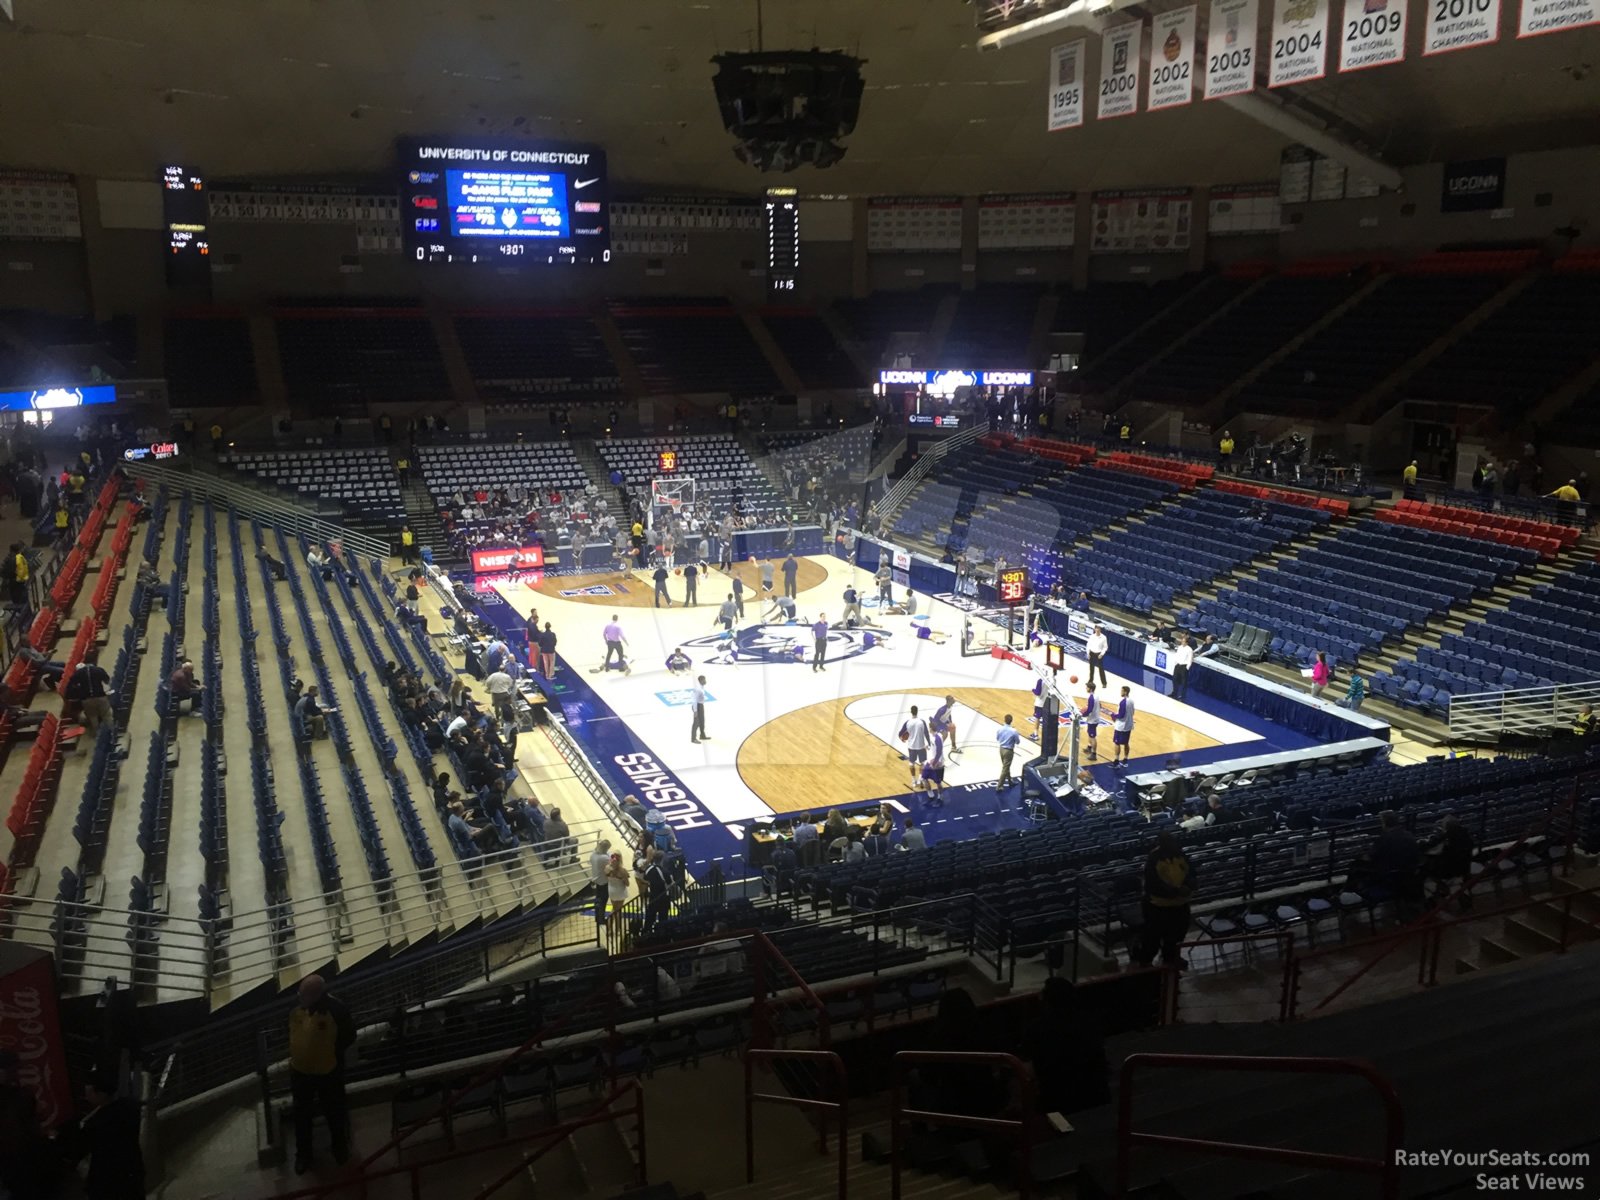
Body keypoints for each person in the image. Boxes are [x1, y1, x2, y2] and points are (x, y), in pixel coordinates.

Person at [286, 974, 355, 1172]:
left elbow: (348, 1035)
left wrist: (329, 1053)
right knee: (302, 1115)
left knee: (334, 1111)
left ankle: (339, 1148)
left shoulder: (336, 1009)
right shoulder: (295, 1008)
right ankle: (304, 1154)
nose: (300, 997)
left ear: (315, 995)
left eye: (303, 994)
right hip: (300, 1072)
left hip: (328, 1072)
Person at [1018, 977, 1110, 1118]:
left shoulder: (1036, 1029)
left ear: (1046, 1001)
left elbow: (1027, 1070)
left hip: (1056, 1101)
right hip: (1098, 1095)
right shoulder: (1090, 1021)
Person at [55, 1069, 145, 1200]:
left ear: (101, 1094)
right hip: (132, 1169)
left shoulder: (97, 1123)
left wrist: (58, 1137)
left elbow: (78, 1149)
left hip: (108, 1178)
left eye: (89, 1093)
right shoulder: (129, 1108)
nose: (86, 1097)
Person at [1133, 830, 1194, 968]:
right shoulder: (1154, 859)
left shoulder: (1181, 854)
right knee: (1152, 938)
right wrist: (1176, 891)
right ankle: (1146, 962)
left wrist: (1189, 886)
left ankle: (1171, 958)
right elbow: (1153, 884)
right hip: (1157, 906)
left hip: (1180, 905)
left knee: (1177, 936)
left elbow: (1191, 872)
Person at [65, 659, 115, 734]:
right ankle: (111, 733)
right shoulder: (98, 670)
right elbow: (107, 681)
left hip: (87, 699)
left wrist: (78, 692)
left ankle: (98, 736)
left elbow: (70, 688)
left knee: (93, 717)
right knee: (107, 716)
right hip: (100, 696)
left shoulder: (77, 674)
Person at [900, 704, 931, 789]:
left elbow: (900, 733)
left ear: (911, 712)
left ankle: (914, 780)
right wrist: (929, 743)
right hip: (921, 746)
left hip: (911, 746)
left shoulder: (907, 722)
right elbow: (926, 733)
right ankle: (920, 778)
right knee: (923, 763)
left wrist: (902, 738)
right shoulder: (922, 721)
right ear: (917, 711)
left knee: (911, 763)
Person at [641, 847, 670, 934]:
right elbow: (669, 883)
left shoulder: (649, 868)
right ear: (662, 859)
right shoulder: (665, 871)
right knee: (663, 917)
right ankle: (662, 933)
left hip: (653, 896)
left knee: (650, 917)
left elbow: (644, 878)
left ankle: (646, 932)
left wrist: (651, 883)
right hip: (663, 897)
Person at [604, 851, 631, 936]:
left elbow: (607, 876)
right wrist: (623, 879)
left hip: (611, 890)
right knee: (616, 911)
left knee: (615, 909)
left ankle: (614, 929)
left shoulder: (607, 868)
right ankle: (613, 929)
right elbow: (627, 884)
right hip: (620, 891)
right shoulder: (622, 871)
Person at [1111, 685, 1136, 767]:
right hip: (1128, 725)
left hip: (1121, 726)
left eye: (1122, 691)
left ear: (1125, 692)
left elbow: (1121, 715)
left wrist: (1114, 715)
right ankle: (1125, 759)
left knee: (1117, 743)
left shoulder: (1123, 702)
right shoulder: (1131, 701)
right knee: (1126, 743)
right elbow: (1133, 712)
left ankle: (1116, 760)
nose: (1120, 692)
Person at [920, 730, 947, 805]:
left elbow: (939, 752)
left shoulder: (938, 738)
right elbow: (930, 748)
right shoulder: (931, 737)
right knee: (923, 778)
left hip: (937, 764)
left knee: (938, 782)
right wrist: (926, 748)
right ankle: (930, 793)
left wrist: (936, 763)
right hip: (929, 762)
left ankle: (940, 795)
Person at [995, 713, 1021, 787]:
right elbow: (1018, 742)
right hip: (1008, 751)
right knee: (1005, 768)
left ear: (1004, 720)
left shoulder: (1000, 729)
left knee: (1006, 766)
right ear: (1011, 721)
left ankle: (1010, 781)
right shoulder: (1013, 731)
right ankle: (999, 786)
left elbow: (997, 738)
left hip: (1001, 749)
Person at [1080, 682, 1101, 761]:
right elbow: (1099, 705)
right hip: (1095, 718)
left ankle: (1094, 754)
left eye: (1087, 687)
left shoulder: (1091, 697)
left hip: (1093, 719)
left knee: (1092, 737)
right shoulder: (1096, 696)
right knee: (1090, 734)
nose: (1086, 689)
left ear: (1090, 689)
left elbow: (1090, 709)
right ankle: (1089, 747)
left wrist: (1082, 714)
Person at [1170, 633, 1193, 702]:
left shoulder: (1189, 650)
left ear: (1186, 642)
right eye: (1182, 641)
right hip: (1178, 665)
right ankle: (1174, 693)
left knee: (1183, 682)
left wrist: (1187, 667)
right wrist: (1175, 663)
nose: (1182, 642)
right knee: (1174, 679)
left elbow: (1190, 659)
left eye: (1183, 641)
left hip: (1184, 666)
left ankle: (1182, 696)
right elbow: (1177, 655)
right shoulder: (1179, 647)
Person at [690, 674, 709, 743]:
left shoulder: (702, 687)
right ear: (700, 681)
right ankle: (693, 739)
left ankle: (702, 735)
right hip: (697, 706)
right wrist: (695, 711)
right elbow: (694, 700)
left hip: (700, 705)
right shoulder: (698, 689)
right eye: (704, 680)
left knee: (702, 721)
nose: (705, 681)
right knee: (696, 723)